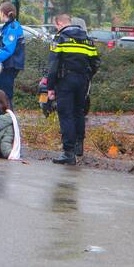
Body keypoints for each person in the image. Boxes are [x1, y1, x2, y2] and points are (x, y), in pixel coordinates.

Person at [46, 14, 100, 165]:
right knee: (79, 112)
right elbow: (95, 62)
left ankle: (68, 152)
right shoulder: (87, 39)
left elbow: (53, 65)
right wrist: (87, 76)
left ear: (59, 23)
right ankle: (78, 146)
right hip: (82, 81)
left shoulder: (60, 38)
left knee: (66, 114)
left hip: (65, 81)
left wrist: (50, 87)